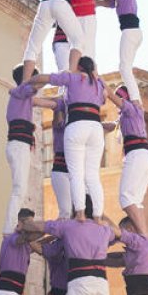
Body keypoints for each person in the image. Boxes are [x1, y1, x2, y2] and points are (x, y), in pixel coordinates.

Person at [35, 57, 107, 220]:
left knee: (77, 175)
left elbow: (45, 79)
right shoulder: (97, 84)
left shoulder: (72, 79)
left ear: (78, 67)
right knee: (92, 176)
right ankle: (97, 216)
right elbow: (103, 98)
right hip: (93, 128)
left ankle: (81, 213)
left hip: (77, 128)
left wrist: (28, 82)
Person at [20, 0, 102, 81]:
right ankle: (72, 74)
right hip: (61, 2)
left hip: (44, 4)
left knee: (33, 47)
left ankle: (24, 84)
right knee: (78, 40)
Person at [3, 64, 52, 233]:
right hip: (18, 146)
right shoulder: (20, 92)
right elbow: (35, 87)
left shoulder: (24, 97)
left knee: (20, 190)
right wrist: (56, 78)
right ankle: (9, 229)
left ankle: (13, 225)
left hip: (18, 146)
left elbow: (50, 103)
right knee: (19, 190)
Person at [106, 84, 148, 233]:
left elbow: (112, 96)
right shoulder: (126, 116)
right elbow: (111, 126)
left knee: (126, 198)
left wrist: (99, 82)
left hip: (136, 155)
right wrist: (92, 123)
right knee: (135, 201)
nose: (117, 104)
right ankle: (142, 235)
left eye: (120, 98)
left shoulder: (131, 109)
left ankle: (143, 236)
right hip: (144, 156)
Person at [98, 0, 143, 101]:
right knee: (126, 67)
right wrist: (88, 2)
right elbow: (105, 3)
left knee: (124, 67)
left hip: (130, 32)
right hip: (133, 32)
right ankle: (133, 96)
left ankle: (136, 100)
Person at [49, 99, 72, 219]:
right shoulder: (60, 125)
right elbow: (57, 118)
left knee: (79, 209)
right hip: (61, 169)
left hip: (75, 170)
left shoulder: (78, 125)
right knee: (66, 211)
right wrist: (60, 104)